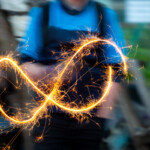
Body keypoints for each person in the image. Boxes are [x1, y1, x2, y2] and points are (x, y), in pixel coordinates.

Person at [17, 0, 125, 149]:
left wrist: (101, 118)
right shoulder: (43, 14)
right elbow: (24, 67)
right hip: (49, 119)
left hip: (90, 121)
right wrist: (52, 72)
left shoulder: (105, 16)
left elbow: (116, 71)